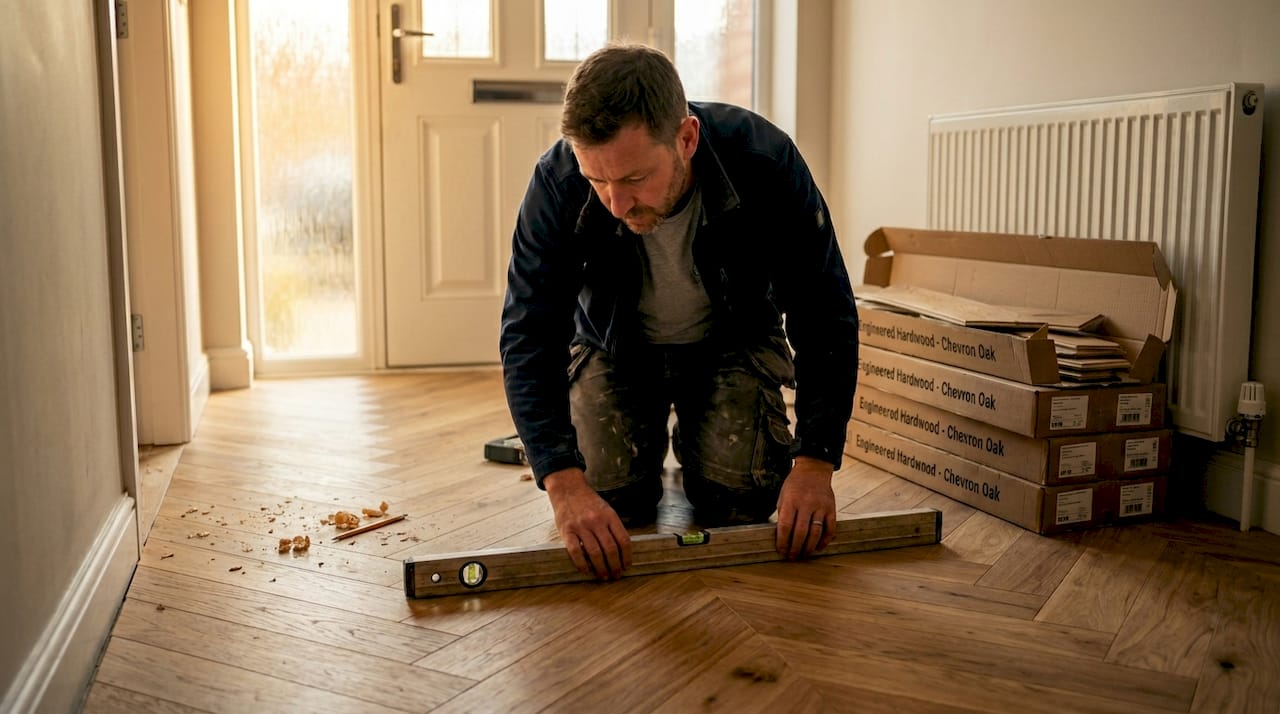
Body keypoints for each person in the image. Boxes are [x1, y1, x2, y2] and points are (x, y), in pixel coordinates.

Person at [500, 43, 859, 581]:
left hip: (729, 343)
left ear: (686, 138)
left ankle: (698, 436)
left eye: (634, 179)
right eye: (598, 181)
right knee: (608, 502)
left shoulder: (764, 161)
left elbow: (824, 311)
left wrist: (815, 463)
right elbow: (529, 332)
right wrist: (564, 484)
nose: (615, 205)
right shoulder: (557, 182)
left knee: (742, 498)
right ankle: (645, 449)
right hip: (613, 348)